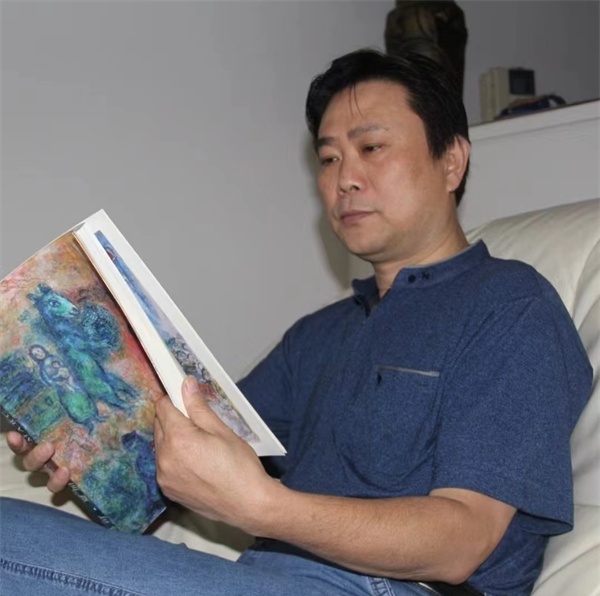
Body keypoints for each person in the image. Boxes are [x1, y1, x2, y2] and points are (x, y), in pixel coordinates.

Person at [1, 48, 592, 596]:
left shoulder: (510, 306)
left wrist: (262, 506)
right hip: (266, 577)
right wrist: (88, 442)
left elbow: (463, 540)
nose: (344, 178)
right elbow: (201, 449)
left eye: (371, 148)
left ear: (451, 161)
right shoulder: (319, 334)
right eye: (329, 158)